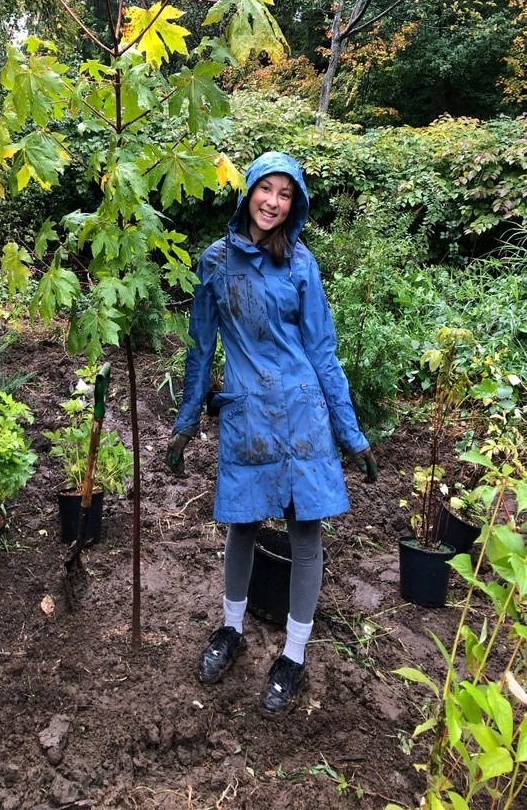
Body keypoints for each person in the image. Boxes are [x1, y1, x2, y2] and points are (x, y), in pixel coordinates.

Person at [165, 150, 378, 716]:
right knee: (242, 525)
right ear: (248, 192)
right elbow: (199, 348)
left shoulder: (301, 266)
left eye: (286, 195)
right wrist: (186, 423)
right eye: (266, 190)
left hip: (303, 415)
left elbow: (323, 353)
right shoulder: (215, 263)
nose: (273, 203)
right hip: (247, 414)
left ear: (295, 204)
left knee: (305, 535)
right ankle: (231, 629)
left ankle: (294, 656)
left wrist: (351, 435)